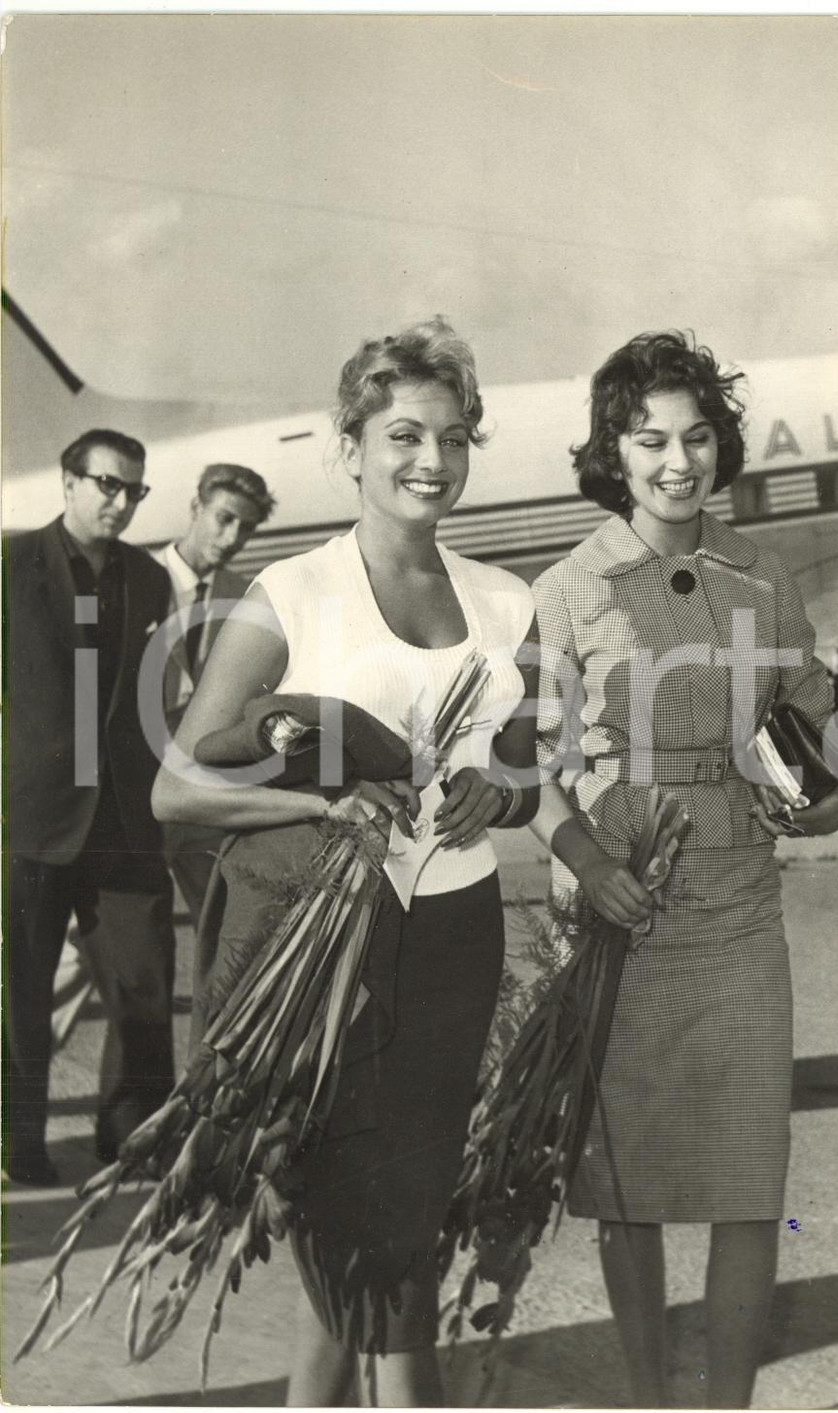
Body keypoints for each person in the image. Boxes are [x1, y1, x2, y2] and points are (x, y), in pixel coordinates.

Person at [151, 318, 539, 1407]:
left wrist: (498, 794)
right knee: (360, 1217)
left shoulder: (506, 600)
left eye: (454, 438)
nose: (432, 460)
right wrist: (323, 804)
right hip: (327, 946)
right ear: (352, 447)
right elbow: (179, 787)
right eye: (404, 434)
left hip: (455, 936)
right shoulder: (295, 592)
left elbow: (524, 771)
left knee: (396, 1211)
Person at [530, 331, 838, 1409]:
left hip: (742, 905)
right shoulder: (569, 587)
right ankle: (647, 1398)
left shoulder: (765, 575)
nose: (679, 461)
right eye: (650, 439)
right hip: (622, 903)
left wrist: (821, 800)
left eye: (698, 437)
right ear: (612, 453)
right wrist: (586, 861)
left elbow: (810, 734)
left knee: (749, 1178)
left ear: (721, 447)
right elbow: (531, 769)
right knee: (630, 1182)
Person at [4, 428, 177, 1185]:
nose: (122, 501)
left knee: (142, 981)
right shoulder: (10, 566)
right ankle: (19, 1145)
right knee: (20, 992)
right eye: (108, 484)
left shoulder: (149, 579)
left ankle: (130, 1140)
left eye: (134, 489)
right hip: (29, 816)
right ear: (69, 481)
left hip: (123, 820)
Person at [153, 463, 275, 932]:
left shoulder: (244, 595)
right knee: (115, 942)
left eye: (246, 527)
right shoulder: (134, 579)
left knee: (221, 924)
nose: (232, 538)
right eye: (224, 519)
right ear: (195, 507)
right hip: (127, 786)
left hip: (198, 787)